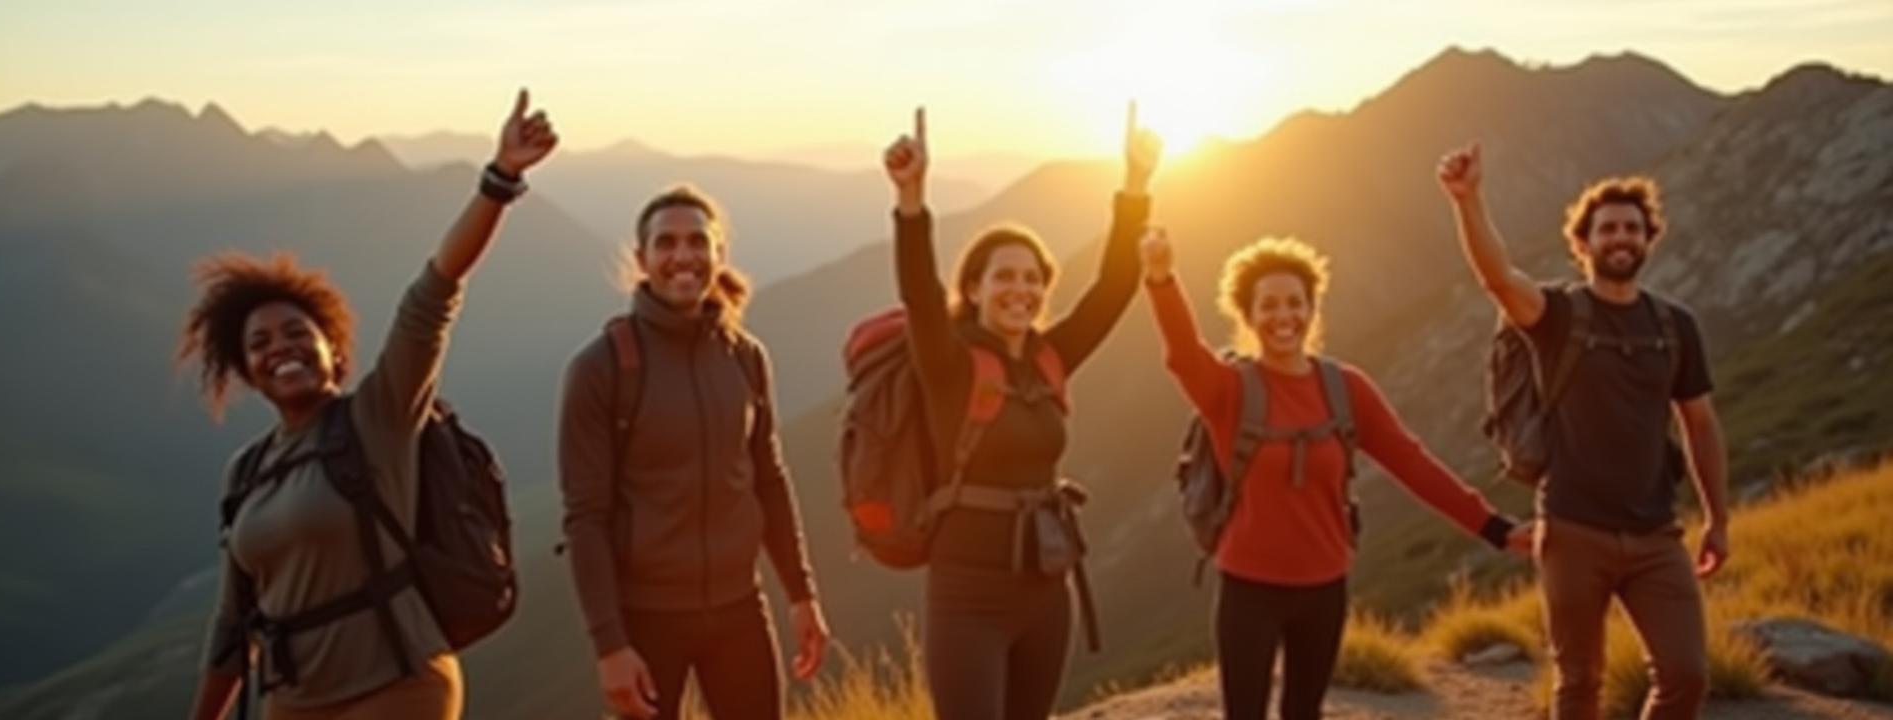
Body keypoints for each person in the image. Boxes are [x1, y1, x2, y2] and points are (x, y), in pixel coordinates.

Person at [184, 90, 557, 720]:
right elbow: (233, 621)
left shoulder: (377, 419)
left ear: (336, 350)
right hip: (292, 703)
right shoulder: (245, 473)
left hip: (399, 687)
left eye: (299, 333)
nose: (282, 349)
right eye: (261, 344)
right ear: (248, 370)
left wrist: (500, 180)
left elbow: (434, 294)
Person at [1139, 229, 1530, 720]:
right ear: (1248, 315)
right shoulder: (1230, 391)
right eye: (1269, 306)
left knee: (1305, 713)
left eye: (1296, 303)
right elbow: (1182, 355)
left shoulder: (1346, 389)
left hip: (1324, 587)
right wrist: (1160, 279)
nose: (1284, 317)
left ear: (1312, 309)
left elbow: (1412, 464)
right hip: (1247, 589)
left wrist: (1495, 529)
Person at [882, 104, 1159, 720]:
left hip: (1046, 590)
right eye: (1004, 277)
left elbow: (1115, 286)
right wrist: (911, 200)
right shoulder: (949, 364)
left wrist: (1136, 184)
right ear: (974, 289)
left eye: (1034, 279)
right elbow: (920, 293)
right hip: (966, 599)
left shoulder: (1050, 359)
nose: (1021, 290)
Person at [1437, 142, 1728, 720]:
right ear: (1583, 243)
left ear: (1649, 239)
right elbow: (1498, 278)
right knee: (1579, 683)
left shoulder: (1676, 326)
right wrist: (1469, 201)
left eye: (1632, 228)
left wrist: (1718, 518)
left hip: (1655, 535)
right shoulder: (1557, 315)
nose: (1620, 238)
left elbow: (1700, 424)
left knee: (1686, 676)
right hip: (1572, 530)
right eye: (1607, 229)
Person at [558, 183, 829, 720]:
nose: (683, 256)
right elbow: (585, 518)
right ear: (642, 259)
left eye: (698, 242)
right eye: (666, 244)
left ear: (718, 255)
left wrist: (802, 595)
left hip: (739, 610)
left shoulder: (745, 358)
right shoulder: (601, 368)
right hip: (645, 618)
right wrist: (610, 646)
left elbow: (768, 479)